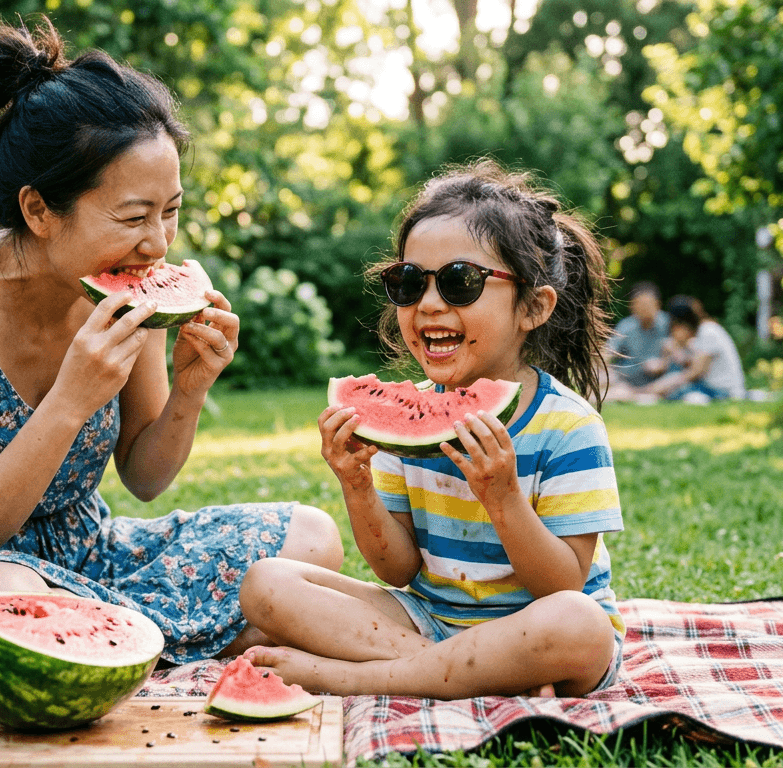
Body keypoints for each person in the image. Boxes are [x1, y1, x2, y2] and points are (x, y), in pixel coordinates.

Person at [0, 17, 342, 687]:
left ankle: (109, 642)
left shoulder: (132, 291)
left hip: (83, 553)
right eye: (133, 217)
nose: (158, 243)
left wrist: (188, 390)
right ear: (39, 211)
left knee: (310, 538)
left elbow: (145, 475)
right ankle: (153, 635)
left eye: (171, 210)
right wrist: (69, 402)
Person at [238, 159, 625, 699]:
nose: (429, 304)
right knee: (266, 584)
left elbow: (561, 585)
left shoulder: (569, 428)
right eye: (409, 282)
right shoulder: (405, 424)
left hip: (537, 629)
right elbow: (398, 569)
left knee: (579, 625)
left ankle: (355, 677)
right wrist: (357, 485)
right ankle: (466, 674)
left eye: (460, 282)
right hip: (427, 617)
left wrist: (504, 498)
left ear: (534, 307)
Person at [643, 295, 746, 402]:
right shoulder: (703, 332)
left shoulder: (708, 331)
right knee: (673, 383)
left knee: (674, 393)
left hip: (724, 391)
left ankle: (641, 394)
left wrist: (670, 382)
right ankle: (643, 393)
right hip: (713, 388)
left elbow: (697, 371)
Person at [603, 281, 670, 401]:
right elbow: (608, 352)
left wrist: (664, 362)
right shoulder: (626, 326)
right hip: (628, 379)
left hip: (660, 379)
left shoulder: (669, 324)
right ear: (632, 307)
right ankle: (632, 395)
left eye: (647, 304)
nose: (644, 309)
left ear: (658, 304)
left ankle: (634, 395)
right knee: (601, 376)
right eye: (639, 304)